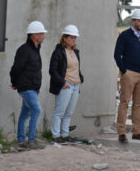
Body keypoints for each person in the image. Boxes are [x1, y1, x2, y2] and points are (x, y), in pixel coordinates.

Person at [113, 8, 140, 143]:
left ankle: (137, 132)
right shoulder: (124, 35)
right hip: (129, 73)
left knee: (138, 104)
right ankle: (122, 133)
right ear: (134, 21)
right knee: (124, 102)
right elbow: (117, 54)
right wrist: (124, 71)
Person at [10, 20, 47, 149]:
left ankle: (21, 140)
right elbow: (16, 68)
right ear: (34, 35)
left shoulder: (35, 50)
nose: (43, 36)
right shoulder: (24, 50)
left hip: (33, 87)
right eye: (41, 33)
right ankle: (31, 140)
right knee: (36, 110)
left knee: (25, 113)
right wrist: (15, 83)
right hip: (26, 87)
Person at [49, 24, 85, 143]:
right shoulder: (58, 52)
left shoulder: (75, 52)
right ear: (65, 38)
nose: (74, 40)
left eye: (75, 38)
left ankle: (65, 134)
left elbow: (76, 68)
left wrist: (80, 77)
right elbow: (52, 70)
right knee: (59, 112)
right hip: (66, 84)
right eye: (71, 37)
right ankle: (55, 135)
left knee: (69, 112)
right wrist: (62, 82)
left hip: (76, 84)